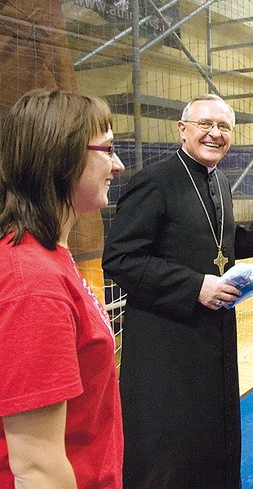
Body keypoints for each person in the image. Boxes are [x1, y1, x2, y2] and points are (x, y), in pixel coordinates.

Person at [102, 93, 253, 489]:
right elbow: (120, 258)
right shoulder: (154, 182)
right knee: (170, 450)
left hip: (213, 335)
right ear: (183, 129)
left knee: (211, 438)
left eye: (224, 126)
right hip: (166, 344)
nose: (215, 133)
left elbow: (217, 242)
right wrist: (194, 286)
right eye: (206, 124)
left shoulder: (219, 179)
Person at [0, 89, 125, 488]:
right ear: (64, 157)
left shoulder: (50, 256)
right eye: (107, 150)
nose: (118, 165)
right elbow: (37, 468)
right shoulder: (34, 286)